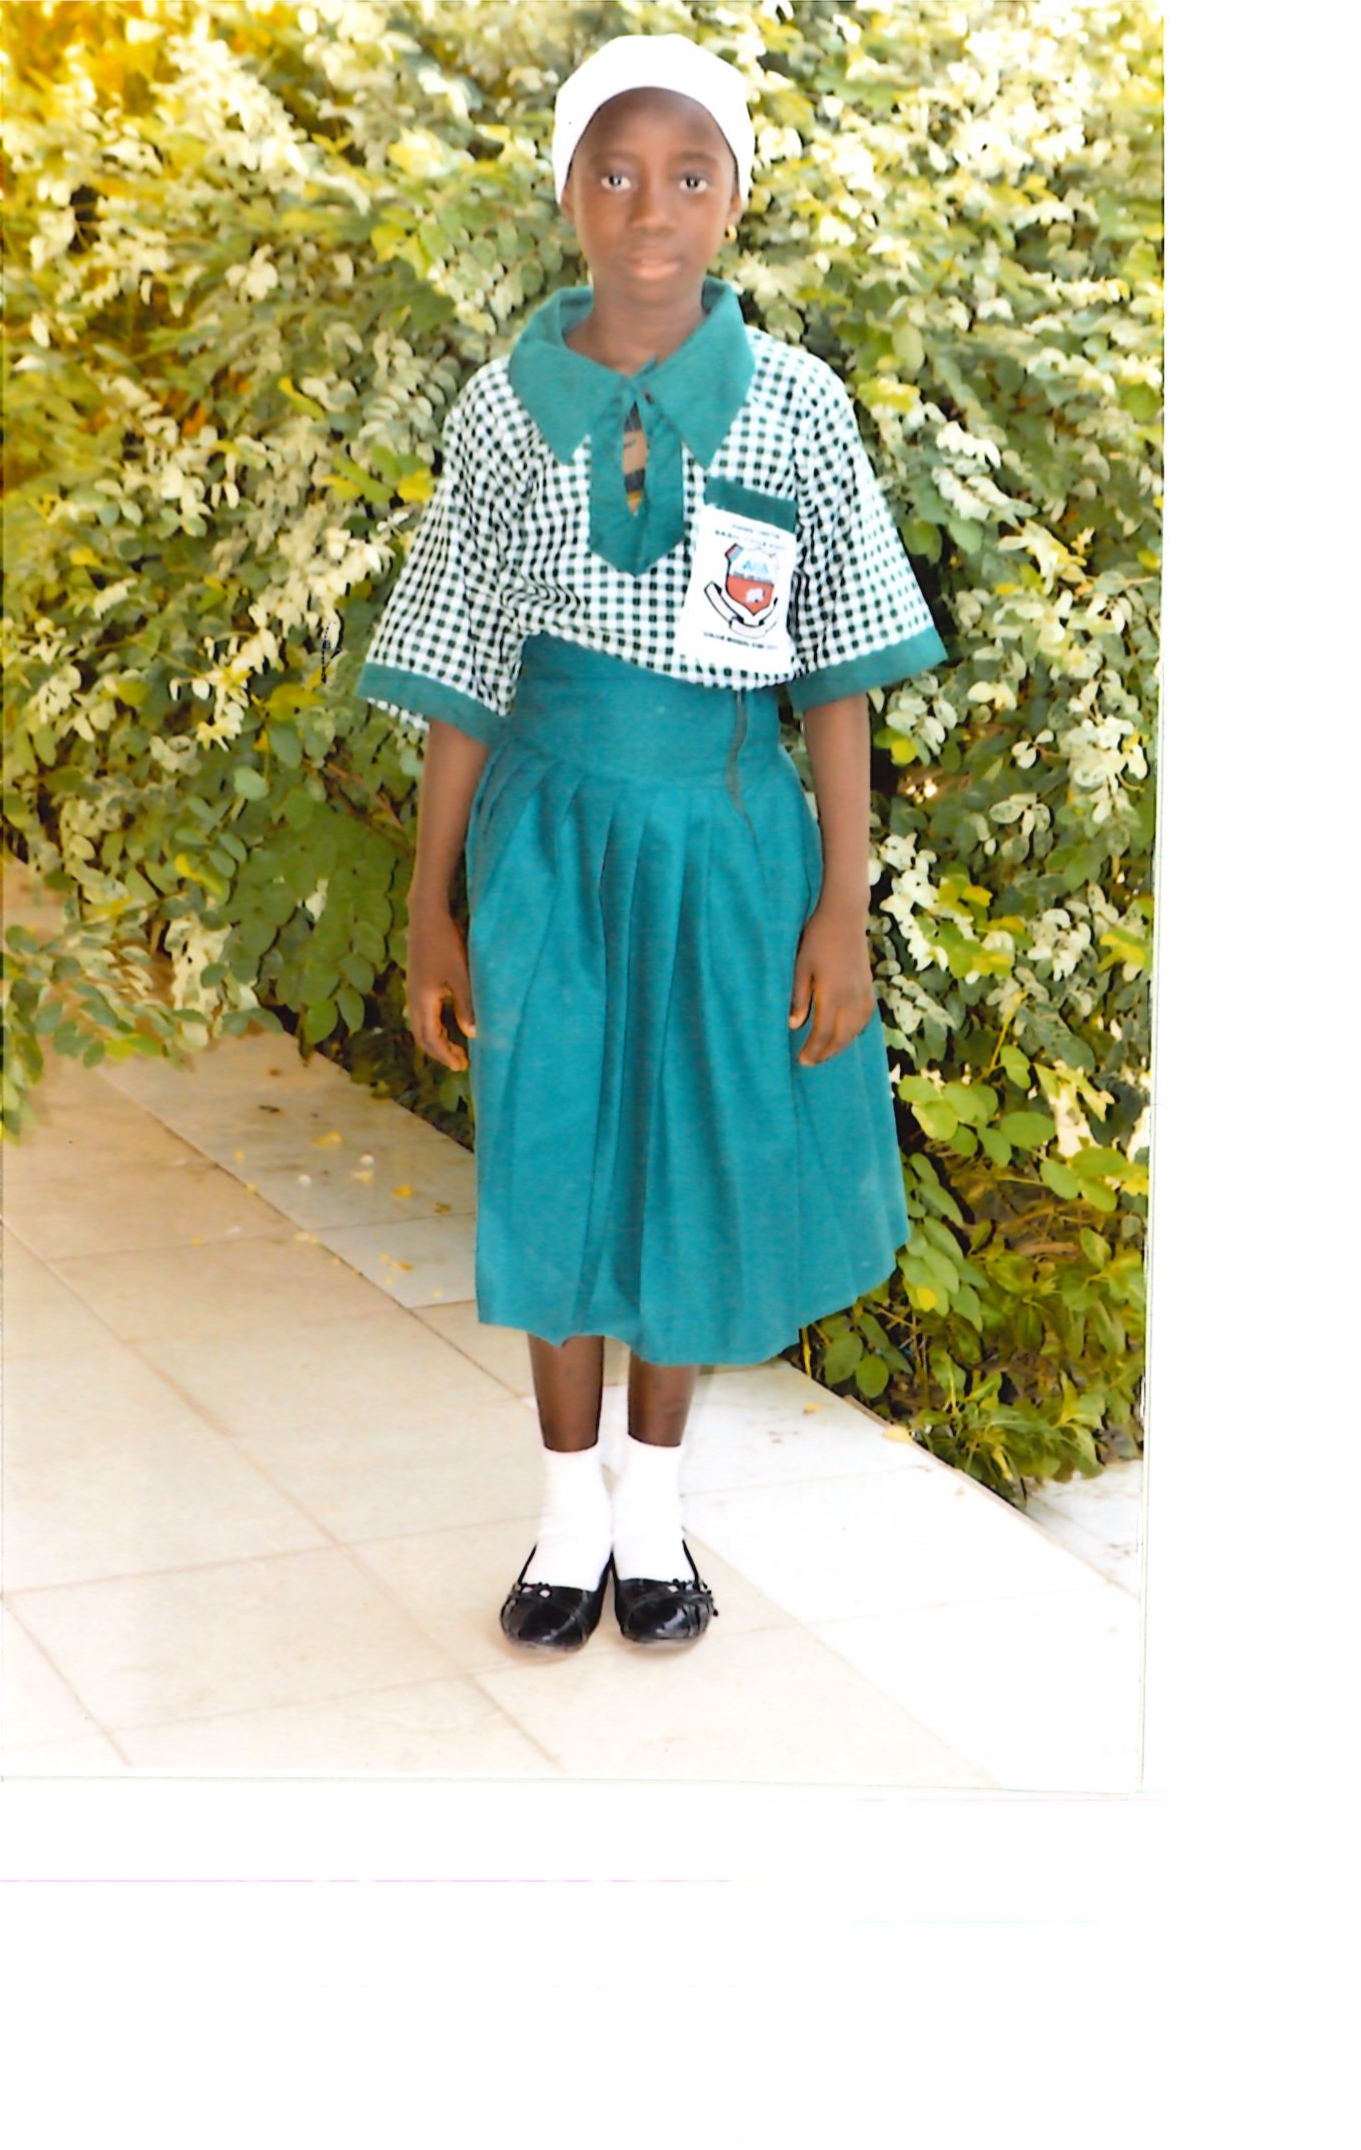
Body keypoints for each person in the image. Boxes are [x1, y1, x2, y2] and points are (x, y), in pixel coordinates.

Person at [356, 33, 947, 1655]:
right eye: (613, 174)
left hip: (727, 844)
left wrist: (839, 904)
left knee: (687, 1152)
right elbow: (463, 672)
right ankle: (564, 1518)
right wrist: (432, 904)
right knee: (551, 1149)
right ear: (567, 195)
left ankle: (652, 1513)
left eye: (689, 176)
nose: (649, 211)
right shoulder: (503, 414)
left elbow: (835, 672)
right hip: (549, 842)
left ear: (733, 200)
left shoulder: (795, 410)